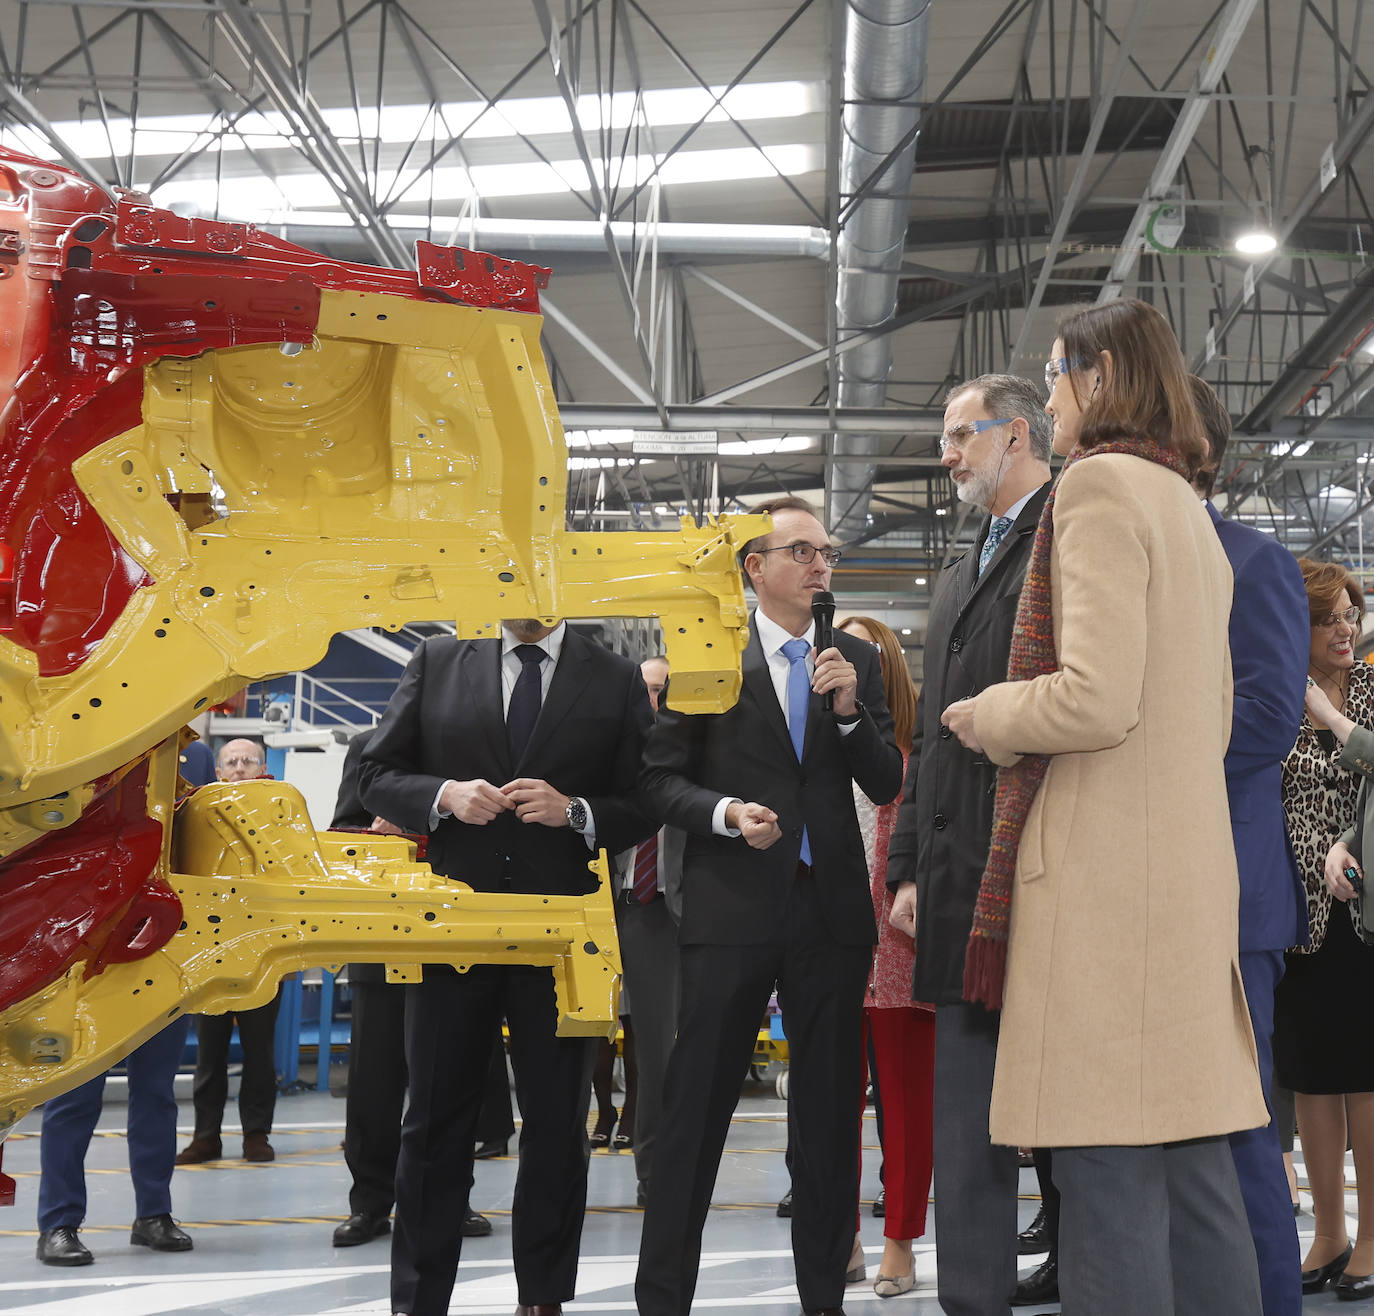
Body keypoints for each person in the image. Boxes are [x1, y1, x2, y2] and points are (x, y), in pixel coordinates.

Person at [939, 298, 1267, 1315]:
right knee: (1197, 1178)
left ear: (1103, 377)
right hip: (1183, 883)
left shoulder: (1096, 492)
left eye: (1055, 375)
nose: (1048, 393)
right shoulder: (1186, 508)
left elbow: (1094, 695)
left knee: (1109, 1180)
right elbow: (1206, 713)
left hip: (1101, 894)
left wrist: (989, 711)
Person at [635, 494, 903, 1316]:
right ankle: (663, 1299)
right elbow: (657, 779)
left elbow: (887, 778)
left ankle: (824, 1297)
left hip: (830, 919)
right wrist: (724, 815)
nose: (821, 566)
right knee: (694, 1113)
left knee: (826, 1123)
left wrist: (851, 713)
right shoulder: (705, 653)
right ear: (755, 567)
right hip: (730, 910)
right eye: (802, 552)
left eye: (826, 554)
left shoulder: (851, 655)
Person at [358, 619, 654, 1316]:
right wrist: (443, 797)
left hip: (561, 938)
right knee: (433, 1121)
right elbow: (373, 774)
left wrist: (576, 811)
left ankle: (543, 1299)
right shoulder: (436, 660)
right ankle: (418, 1299)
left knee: (557, 1126)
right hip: (452, 926)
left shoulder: (611, 674)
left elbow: (646, 798)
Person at [886, 372, 1052, 1316]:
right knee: (967, 1120)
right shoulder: (959, 571)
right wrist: (906, 866)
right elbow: (924, 743)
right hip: (959, 886)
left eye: (959, 435)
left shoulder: (1063, 541)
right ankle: (974, 1299)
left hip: (1031, 868)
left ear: (1014, 432)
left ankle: (1070, 1266)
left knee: (1065, 1121)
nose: (945, 454)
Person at [1191, 376, 1309, 1316]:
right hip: (1145, 889)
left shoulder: (1253, 562)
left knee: (1243, 1132)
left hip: (1232, 896)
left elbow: (1269, 721)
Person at [329, 728, 493, 1248]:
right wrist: (373, 835)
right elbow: (340, 832)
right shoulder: (368, 746)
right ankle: (369, 1203)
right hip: (380, 935)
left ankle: (449, 1197)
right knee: (374, 1082)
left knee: (447, 1077)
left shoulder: (473, 745)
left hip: (452, 932)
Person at [1276, 560, 1374, 1299]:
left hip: (1366, 915)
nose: (1344, 628)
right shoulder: (1275, 699)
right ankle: (1331, 1231)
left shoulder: (1372, 690)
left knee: (1365, 1077)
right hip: (1299, 917)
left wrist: (1333, 719)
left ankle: (1373, 1233)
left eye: (1350, 613)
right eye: (1327, 618)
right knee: (1310, 1077)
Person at [837, 614, 931, 1299]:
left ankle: (900, 1240)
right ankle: (840, 1234)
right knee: (829, 1105)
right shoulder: (815, 748)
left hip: (898, 952)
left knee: (904, 1107)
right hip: (832, 950)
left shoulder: (915, 756)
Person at [598, 654, 683, 1208]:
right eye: (647, 691)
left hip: (657, 909)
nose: (654, 703)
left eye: (664, 691)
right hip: (596, 905)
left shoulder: (695, 755)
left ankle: (656, 1178)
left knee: (658, 1053)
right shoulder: (606, 755)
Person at [176, 738, 281, 1165]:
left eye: (248, 761)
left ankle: (257, 1134)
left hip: (265, 948)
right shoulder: (197, 814)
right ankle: (206, 1136)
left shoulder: (281, 815)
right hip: (211, 948)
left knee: (261, 1050)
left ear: (262, 768)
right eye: (231, 762)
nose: (239, 768)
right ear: (218, 771)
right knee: (210, 1050)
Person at [35, 1017, 194, 1266]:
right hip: (87, 986)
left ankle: (153, 1213)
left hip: (164, 985)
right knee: (73, 1096)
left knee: (156, 1097)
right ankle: (58, 1222)